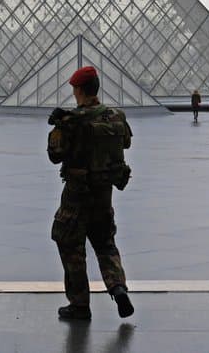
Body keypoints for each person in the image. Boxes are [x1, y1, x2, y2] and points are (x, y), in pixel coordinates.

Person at [46, 66, 134, 320]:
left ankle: (79, 304)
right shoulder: (116, 116)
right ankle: (118, 287)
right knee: (105, 244)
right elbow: (126, 143)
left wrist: (58, 125)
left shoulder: (71, 121)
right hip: (104, 195)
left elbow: (54, 155)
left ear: (79, 90)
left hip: (76, 196)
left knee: (70, 245)